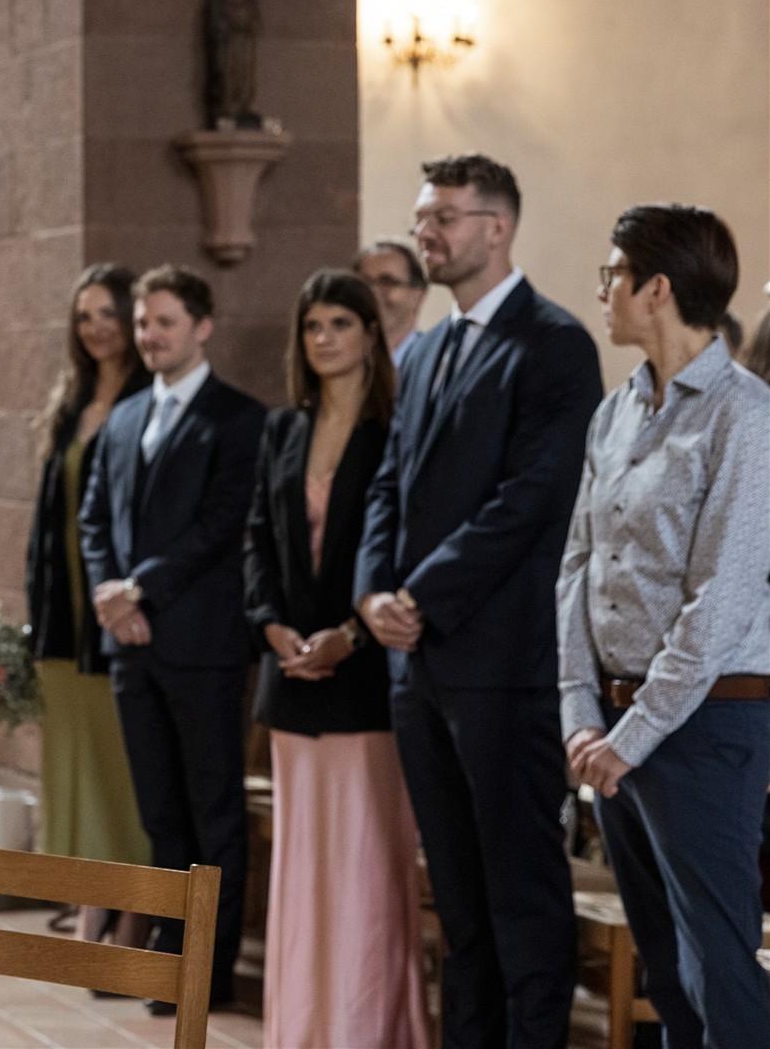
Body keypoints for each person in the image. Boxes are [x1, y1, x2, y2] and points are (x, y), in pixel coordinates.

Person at [357, 153, 602, 1049]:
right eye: (422, 216)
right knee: (457, 899)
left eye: (444, 217)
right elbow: (390, 483)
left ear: (496, 228)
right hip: (417, 664)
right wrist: (371, 593)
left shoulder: (555, 343)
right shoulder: (425, 350)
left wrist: (420, 593)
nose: (425, 232)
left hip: (503, 660)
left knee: (520, 893)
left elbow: (533, 497)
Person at [559, 204, 770, 1049]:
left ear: (657, 288)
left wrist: (633, 734)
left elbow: (722, 597)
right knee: (666, 970)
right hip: (615, 726)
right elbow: (579, 568)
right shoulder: (615, 413)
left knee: (720, 971)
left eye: (612, 272)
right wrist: (581, 713)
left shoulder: (743, 414)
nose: (601, 289)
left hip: (708, 722)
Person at [247, 269, 426, 1049]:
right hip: (291, 677)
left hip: (366, 680)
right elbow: (256, 537)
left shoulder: (398, 429)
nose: (324, 338)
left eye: (340, 324)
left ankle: (367, 1029)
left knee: (365, 867)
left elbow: (405, 551)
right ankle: (303, 1029)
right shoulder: (282, 429)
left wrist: (349, 635)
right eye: (313, 325)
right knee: (304, 869)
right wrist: (271, 628)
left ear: (371, 334)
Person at [79, 264, 264, 1010]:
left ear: (202, 326)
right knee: (159, 811)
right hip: (132, 644)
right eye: (143, 323)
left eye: (165, 322)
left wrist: (141, 587)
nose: (149, 335)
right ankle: (166, 954)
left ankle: (209, 970)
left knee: (213, 809)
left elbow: (224, 523)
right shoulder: (124, 417)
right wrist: (112, 595)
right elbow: (94, 519)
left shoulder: (239, 418)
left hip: (203, 642)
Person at [25, 264, 151, 950]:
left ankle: (132, 907)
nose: (96, 327)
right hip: (63, 613)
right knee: (74, 764)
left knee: (122, 765)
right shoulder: (71, 401)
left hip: (115, 611)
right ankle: (89, 899)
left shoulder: (148, 397)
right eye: (84, 316)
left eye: (108, 313)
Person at [355, 237, 429, 369]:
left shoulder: (435, 364)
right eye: (365, 283)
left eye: (387, 282)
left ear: (417, 296)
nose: (373, 292)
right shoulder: (343, 364)